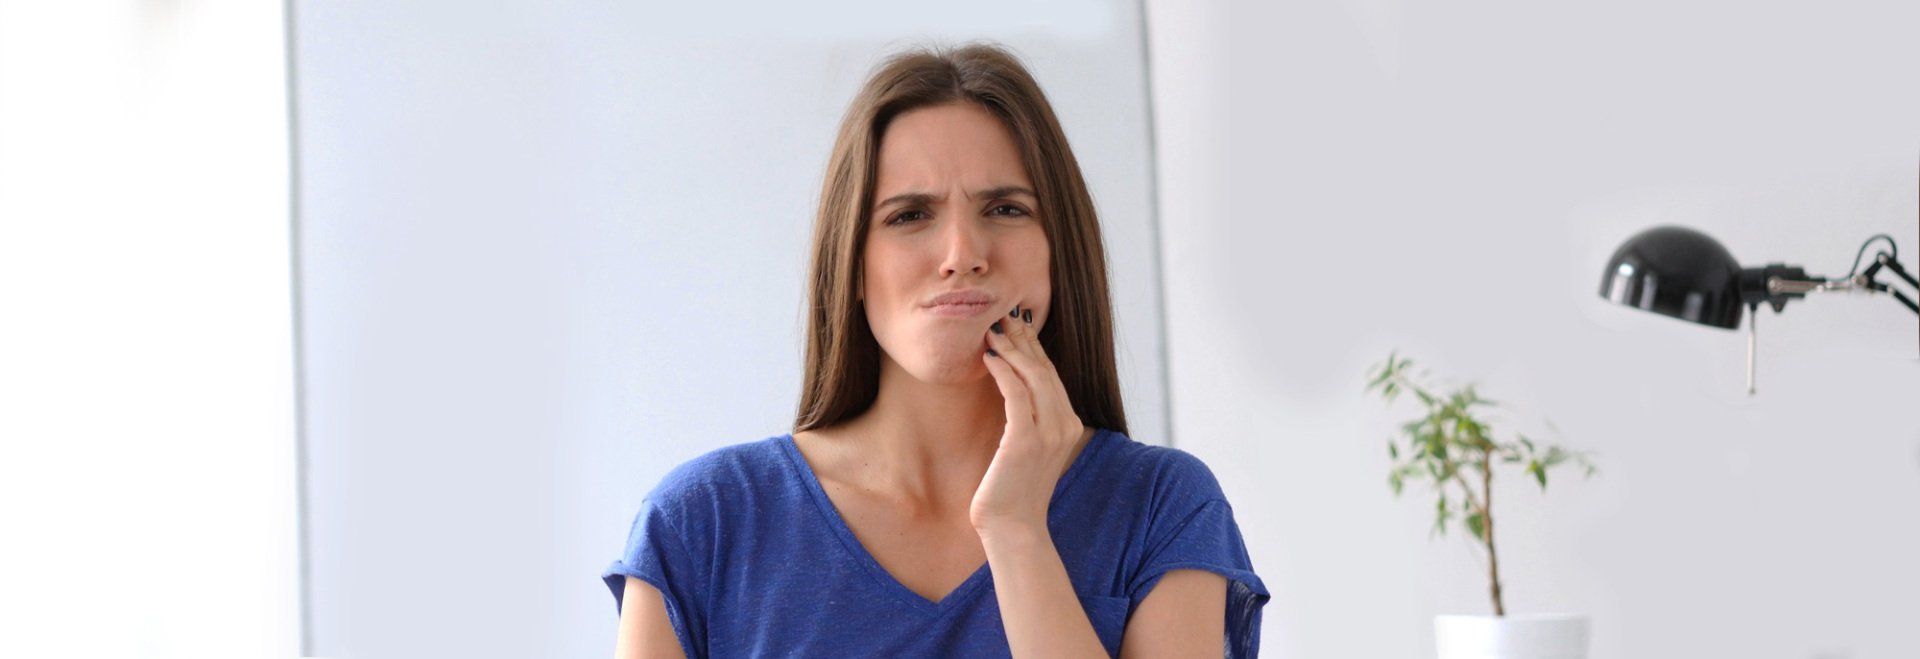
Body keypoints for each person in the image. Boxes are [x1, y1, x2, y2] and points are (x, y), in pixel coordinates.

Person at [603, 41, 1268, 658]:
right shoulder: (701, 524)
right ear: (852, 267)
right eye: (908, 215)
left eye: (1005, 208)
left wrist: (1017, 531)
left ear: (1058, 252)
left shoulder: (1163, 507)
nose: (961, 255)